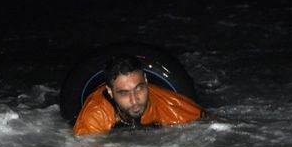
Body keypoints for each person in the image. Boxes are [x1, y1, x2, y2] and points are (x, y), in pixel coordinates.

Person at [73, 54, 207, 135]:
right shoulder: (94, 117)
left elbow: (212, 124)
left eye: (139, 88)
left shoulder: (169, 104)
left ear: (146, 80)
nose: (134, 99)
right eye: (124, 93)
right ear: (110, 91)